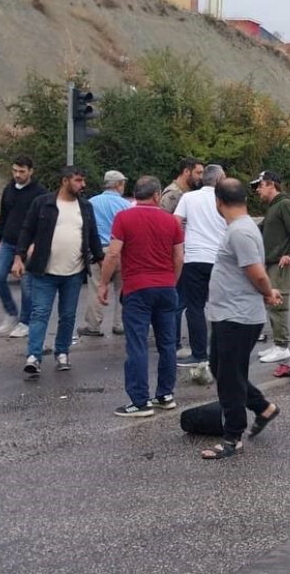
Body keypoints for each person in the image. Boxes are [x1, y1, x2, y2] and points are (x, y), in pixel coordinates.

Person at [202, 178, 281, 460]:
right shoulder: (240, 228)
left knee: (230, 379)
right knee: (222, 369)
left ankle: (232, 437)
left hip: (238, 317)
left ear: (218, 202)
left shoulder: (240, 232)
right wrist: (266, 291)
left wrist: (267, 292)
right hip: (229, 314)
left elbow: (256, 273)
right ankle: (263, 407)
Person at [100, 176, 185, 417]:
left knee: (137, 344)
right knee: (167, 344)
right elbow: (179, 257)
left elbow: (113, 254)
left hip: (137, 288)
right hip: (166, 288)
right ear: (157, 195)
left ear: (135, 194)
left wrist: (103, 283)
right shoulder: (171, 221)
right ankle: (165, 394)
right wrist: (172, 281)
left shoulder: (123, 218)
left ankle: (139, 401)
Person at [13, 166, 104, 376]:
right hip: (44, 272)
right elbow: (27, 230)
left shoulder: (85, 207)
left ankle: (62, 352)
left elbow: (93, 237)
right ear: (65, 181)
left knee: (68, 315)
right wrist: (19, 258)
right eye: (78, 180)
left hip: (74, 273)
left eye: (83, 180)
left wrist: (103, 264)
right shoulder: (43, 203)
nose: (83, 185)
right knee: (40, 313)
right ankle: (33, 356)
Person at [173, 164, 227, 367]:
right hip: (219, 259)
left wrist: (181, 244)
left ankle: (199, 354)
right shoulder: (224, 199)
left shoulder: (188, 197)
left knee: (194, 307)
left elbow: (175, 221)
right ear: (219, 179)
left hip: (194, 258)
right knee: (221, 306)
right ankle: (222, 352)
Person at [0, 156, 47, 337]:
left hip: (28, 245)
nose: (17, 174)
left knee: (26, 285)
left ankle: (25, 322)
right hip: (8, 241)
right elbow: (4, 215)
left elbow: (43, 222)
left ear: (31, 171)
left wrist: (35, 243)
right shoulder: (9, 189)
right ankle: (11, 314)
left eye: (22, 171)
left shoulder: (40, 193)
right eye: (15, 170)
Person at [252, 171, 290, 364]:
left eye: (260, 185)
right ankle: (277, 343)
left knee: (278, 303)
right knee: (271, 303)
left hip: (280, 263)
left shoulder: (285, 204)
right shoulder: (274, 206)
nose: (257, 190)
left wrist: (289, 254)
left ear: (271, 185)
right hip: (271, 262)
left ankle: (282, 347)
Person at [78, 171, 130, 337]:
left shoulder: (91, 202)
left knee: (96, 287)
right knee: (122, 288)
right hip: (120, 250)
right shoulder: (126, 205)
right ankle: (120, 324)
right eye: (123, 184)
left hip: (98, 251)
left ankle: (93, 325)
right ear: (118, 185)